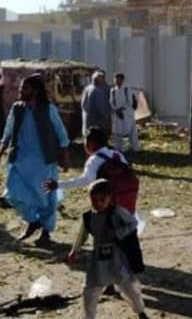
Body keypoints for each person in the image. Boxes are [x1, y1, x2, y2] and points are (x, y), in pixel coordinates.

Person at [0, 74, 70, 245]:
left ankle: (46, 232)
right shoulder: (17, 108)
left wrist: (65, 157)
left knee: (46, 198)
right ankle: (33, 220)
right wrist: (2, 149)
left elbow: (61, 134)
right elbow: (8, 132)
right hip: (19, 160)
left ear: (36, 91)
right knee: (12, 194)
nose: (20, 91)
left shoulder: (48, 109)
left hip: (43, 162)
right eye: (21, 88)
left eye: (25, 88)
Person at [67, 179, 149, 319]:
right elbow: (82, 235)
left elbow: (133, 223)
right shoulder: (88, 217)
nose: (98, 203)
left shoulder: (117, 213)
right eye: (94, 200)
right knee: (90, 291)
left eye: (102, 200)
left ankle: (141, 312)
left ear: (110, 198)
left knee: (129, 288)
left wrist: (118, 233)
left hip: (117, 258)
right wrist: (74, 251)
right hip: (98, 259)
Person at [44, 126, 139, 213]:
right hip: (128, 195)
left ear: (91, 143)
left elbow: (84, 180)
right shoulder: (117, 154)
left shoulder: (94, 160)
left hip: (108, 201)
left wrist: (59, 184)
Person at [110, 73, 140, 152]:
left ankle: (135, 148)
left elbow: (130, 102)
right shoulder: (112, 90)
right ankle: (118, 149)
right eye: (116, 79)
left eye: (119, 79)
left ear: (122, 80)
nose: (117, 81)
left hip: (127, 113)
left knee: (132, 132)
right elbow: (111, 102)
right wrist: (117, 110)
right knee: (118, 132)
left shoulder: (127, 89)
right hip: (117, 114)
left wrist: (121, 109)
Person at [82, 71, 111, 135]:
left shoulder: (106, 89)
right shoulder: (92, 89)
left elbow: (83, 104)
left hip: (96, 119)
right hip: (95, 119)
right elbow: (84, 104)